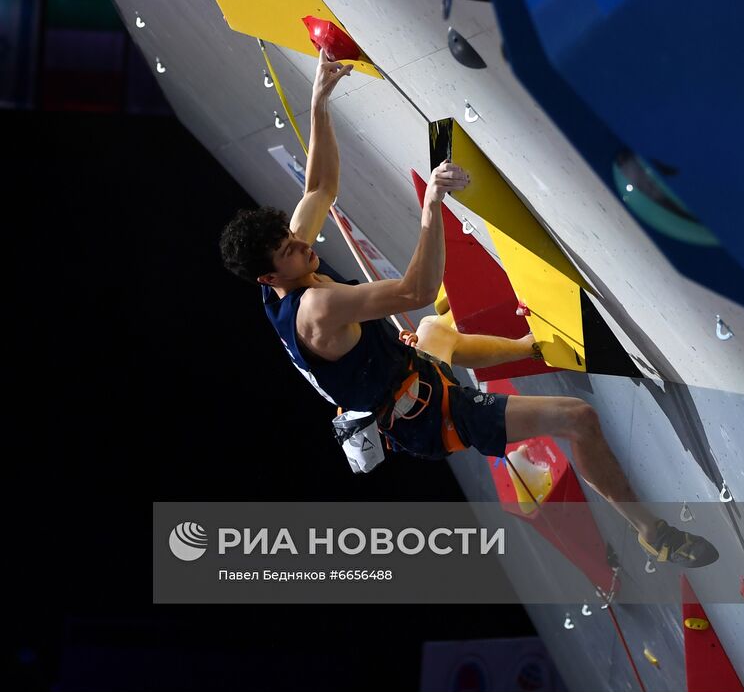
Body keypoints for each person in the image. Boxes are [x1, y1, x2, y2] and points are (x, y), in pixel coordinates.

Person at [220, 49, 718, 568]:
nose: (303, 246)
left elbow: (320, 187)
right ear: (269, 277)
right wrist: (432, 206)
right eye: (289, 251)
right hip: (429, 416)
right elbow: (414, 288)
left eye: (293, 239)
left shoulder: (287, 269)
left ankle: (529, 346)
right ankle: (652, 532)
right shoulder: (316, 307)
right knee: (579, 417)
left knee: (436, 330)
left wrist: (319, 100)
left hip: (404, 369)